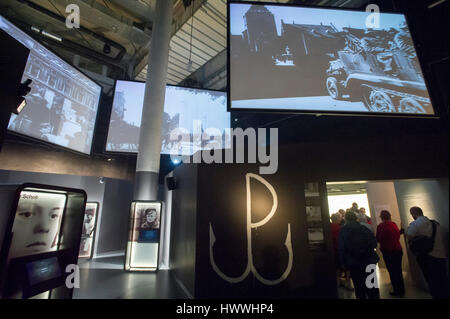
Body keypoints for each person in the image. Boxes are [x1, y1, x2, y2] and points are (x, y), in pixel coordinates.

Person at [406, 206, 448, 299]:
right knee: (443, 281)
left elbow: (409, 235)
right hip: (441, 256)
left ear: (413, 214)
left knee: (433, 283)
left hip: (428, 257)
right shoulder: (435, 223)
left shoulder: (415, 224)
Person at [339, 211, 380, 299]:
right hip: (369, 261)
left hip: (354, 263)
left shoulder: (344, 231)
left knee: (359, 287)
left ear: (345, 219)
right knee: (372, 287)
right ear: (356, 218)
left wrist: (343, 263)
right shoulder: (364, 228)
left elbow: (342, 248)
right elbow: (374, 243)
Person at [376, 210, 405, 297]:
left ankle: (397, 291)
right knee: (398, 271)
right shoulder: (393, 224)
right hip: (398, 250)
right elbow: (397, 235)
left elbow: (378, 238)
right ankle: (401, 290)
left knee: (392, 271)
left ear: (381, 217)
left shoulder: (381, 226)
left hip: (388, 252)